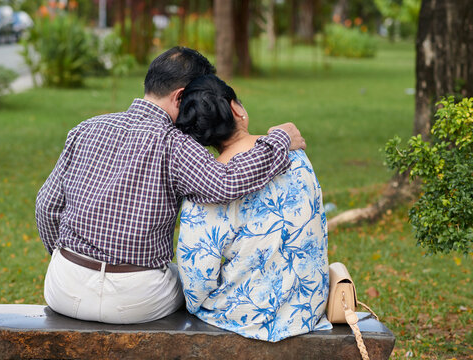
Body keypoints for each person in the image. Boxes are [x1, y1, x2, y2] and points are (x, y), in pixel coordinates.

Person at [35, 47, 306, 324]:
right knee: (190, 284)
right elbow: (227, 182)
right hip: (135, 298)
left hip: (63, 287)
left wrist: (72, 262)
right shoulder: (175, 144)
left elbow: (46, 206)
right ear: (180, 96)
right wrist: (280, 140)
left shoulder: (86, 128)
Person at [176, 74, 331, 342]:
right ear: (237, 109)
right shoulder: (295, 154)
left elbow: (196, 281)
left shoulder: (205, 189)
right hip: (306, 307)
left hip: (243, 316)